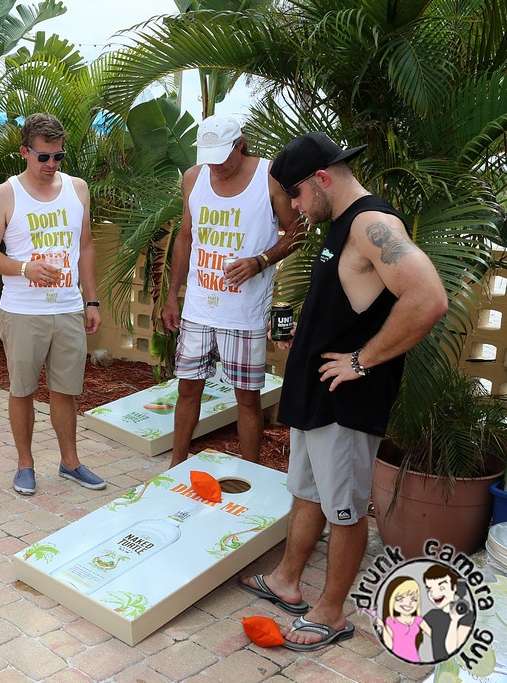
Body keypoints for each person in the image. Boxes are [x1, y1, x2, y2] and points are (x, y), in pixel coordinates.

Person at [237, 132, 447, 651]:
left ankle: (331, 613)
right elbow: (348, 303)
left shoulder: (373, 224)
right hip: (316, 395)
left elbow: (428, 298)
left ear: (321, 179)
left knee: (344, 511)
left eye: (295, 195)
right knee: (307, 493)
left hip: (345, 404)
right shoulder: (342, 223)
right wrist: (305, 332)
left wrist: (361, 360)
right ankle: (287, 581)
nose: (294, 208)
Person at [161, 114, 302, 469]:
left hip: (245, 312)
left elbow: (297, 231)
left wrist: (260, 261)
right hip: (198, 308)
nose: (216, 166)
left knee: (247, 398)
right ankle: (175, 465)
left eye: (222, 157)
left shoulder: (268, 177)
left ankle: (249, 474)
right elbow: (185, 237)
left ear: (240, 144)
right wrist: (172, 296)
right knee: (187, 389)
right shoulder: (194, 178)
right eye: (209, 158)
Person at [0, 112, 105, 496]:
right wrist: (24, 268)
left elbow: (85, 246)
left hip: (67, 307)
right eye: (43, 157)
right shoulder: (4, 195)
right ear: (24, 152)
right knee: (22, 390)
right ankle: (25, 464)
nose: (51, 164)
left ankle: (71, 462)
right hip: (22, 311)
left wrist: (92, 300)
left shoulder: (78, 189)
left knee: (66, 390)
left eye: (58, 156)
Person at [422, 565, 474, 661]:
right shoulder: (432, 615)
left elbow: (452, 651)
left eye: (441, 588)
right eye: (430, 589)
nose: (434, 593)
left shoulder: (466, 616)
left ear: (454, 587)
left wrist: (454, 620)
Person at [374, 576, 429, 662]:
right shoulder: (391, 621)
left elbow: (434, 635)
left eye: (414, 599)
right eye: (400, 599)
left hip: (414, 658)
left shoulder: (418, 620)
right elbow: (389, 645)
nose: (408, 603)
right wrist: (382, 626)